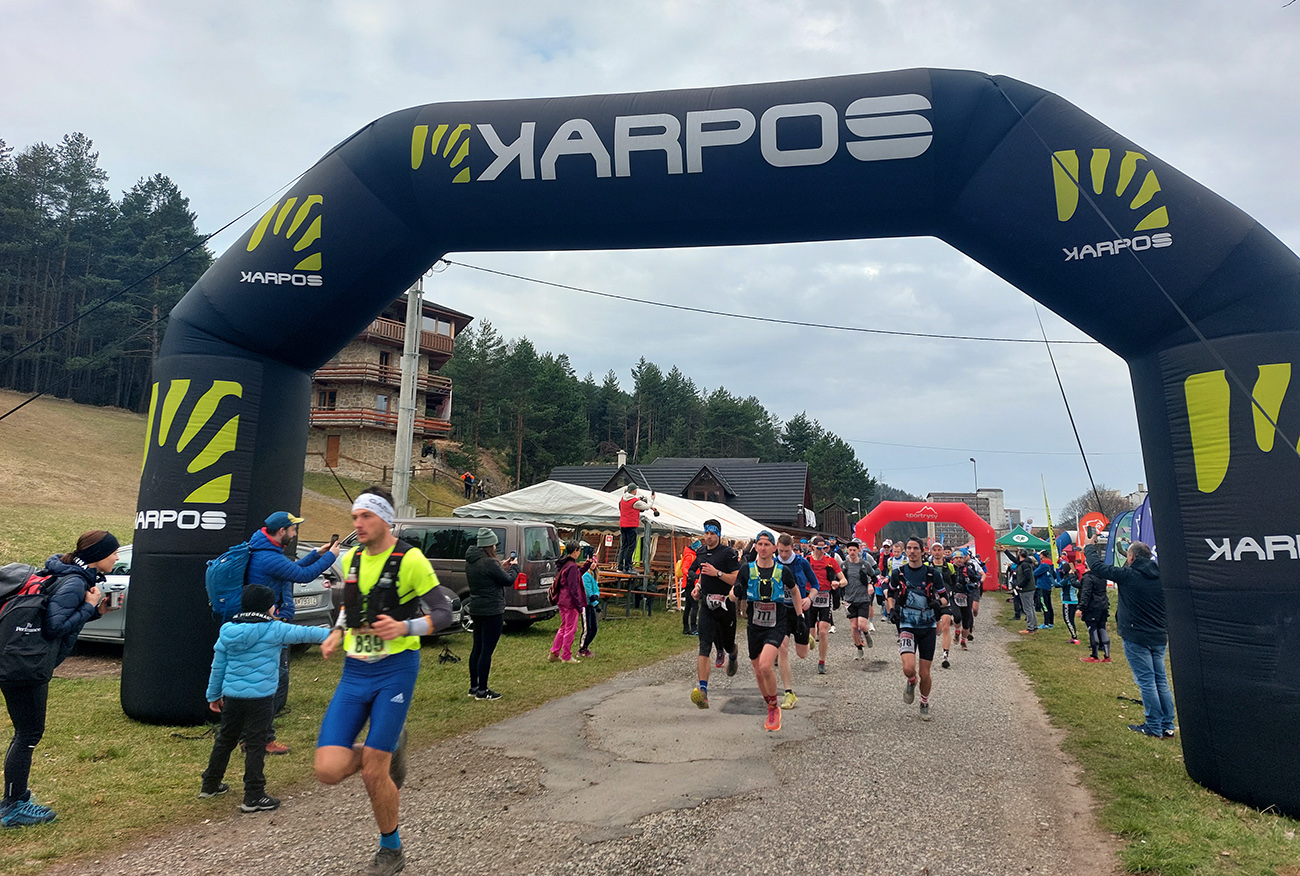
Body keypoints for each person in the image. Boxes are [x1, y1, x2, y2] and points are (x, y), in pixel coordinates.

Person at [315, 486, 454, 876]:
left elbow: (444, 613)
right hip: (354, 671)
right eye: (354, 517)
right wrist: (336, 632)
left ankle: (391, 849)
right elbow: (351, 606)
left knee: (374, 770)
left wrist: (405, 627)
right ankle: (390, 746)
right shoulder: (351, 557)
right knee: (328, 769)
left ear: (385, 520)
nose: (357, 524)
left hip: (395, 670)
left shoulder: (410, 559)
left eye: (366, 516)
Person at [1, 530, 119, 828]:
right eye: (113, 552)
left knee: (26, 732)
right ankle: (13, 806)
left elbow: (55, 614)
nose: (117, 557)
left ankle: (16, 798)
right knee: (28, 734)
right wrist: (89, 606)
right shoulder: (76, 581)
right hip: (25, 667)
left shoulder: (67, 572)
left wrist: (94, 611)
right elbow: (54, 627)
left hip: (18, 659)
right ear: (98, 556)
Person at [201, 584, 332, 812]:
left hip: (232, 697)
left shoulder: (228, 631)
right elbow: (307, 633)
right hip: (261, 698)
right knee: (256, 744)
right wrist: (337, 634)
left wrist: (213, 695)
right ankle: (253, 795)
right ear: (267, 607)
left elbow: (218, 666)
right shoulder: (275, 629)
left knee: (225, 739)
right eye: (273, 604)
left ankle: (210, 784)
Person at [246, 510, 339, 755]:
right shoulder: (268, 557)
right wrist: (331, 556)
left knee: (269, 682)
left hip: (265, 624)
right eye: (293, 529)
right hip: (270, 627)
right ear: (281, 531)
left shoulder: (266, 551)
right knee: (275, 683)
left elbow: (292, 569)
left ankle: (252, 736)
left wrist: (317, 553)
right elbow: (303, 575)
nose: (295, 533)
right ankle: (263, 739)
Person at [1084, 534, 1173, 738]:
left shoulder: (1128, 575)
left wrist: (1089, 547)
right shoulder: (1162, 575)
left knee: (1147, 681)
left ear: (1131, 557)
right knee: (1161, 680)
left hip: (1136, 635)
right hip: (1159, 635)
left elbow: (1097, 567)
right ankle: (1167, 725)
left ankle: (1153, 726)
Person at [730, 530, 803, 732]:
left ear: (774, 548)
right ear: (755, 547)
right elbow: (733, 595)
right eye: (760, 544)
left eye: (767, 545)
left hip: (776, 624)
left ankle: (773, 707)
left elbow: (795, 591)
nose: (763, 548)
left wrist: (800, 617)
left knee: (765, 665)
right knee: (757, 670)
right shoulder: (746, 570)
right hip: (754, 625)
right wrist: (735, 592)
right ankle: (769, 702)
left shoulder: (782, 571)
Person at [885, 536, 949, 721]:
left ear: (922, 551)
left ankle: (924, 701)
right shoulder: (899, 573)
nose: (912, 551)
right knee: (908, 668)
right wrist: (892, 610)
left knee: (925, 672)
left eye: (915, 548)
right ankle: (911, 681)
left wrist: (937, 603)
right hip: (907, 625)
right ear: (906, 551)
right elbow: (891, 593)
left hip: (928, 626)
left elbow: (946, 598)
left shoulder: (932, 574)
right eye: (909, 548)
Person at [686, 520, 739, 709]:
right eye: (706, 533)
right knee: (704, 647)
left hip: (726, 605)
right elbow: (702, 573)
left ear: (718, 535)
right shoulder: (700, 552)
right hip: (707, 605)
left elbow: (736, 578)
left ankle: (733, 654)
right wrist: (698, 587)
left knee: (728, 644)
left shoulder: (728, 553)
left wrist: (717, 573)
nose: (708, 537)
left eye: (712, 534)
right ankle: (703, 692)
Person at [464, 527, 518, 700]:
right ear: (489, 545)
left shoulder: (472, 560)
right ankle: (483, 690)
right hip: (492, 610)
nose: (496, 547)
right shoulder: (489, 563)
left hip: (476, 608)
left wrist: (501, 566)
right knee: (486, 651)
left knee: (477, 648)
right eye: (494, 545)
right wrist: (514, 568)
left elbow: (488, 575)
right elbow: (507, 580)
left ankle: (474, 687)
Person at [773, 534, 815, 710]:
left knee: (802, 654)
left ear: (793, 548)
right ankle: (788, 692)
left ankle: (808, 638)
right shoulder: (773, 563)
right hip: (781, 611)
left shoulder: (801, 563)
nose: (783, 555)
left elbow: (815, 585)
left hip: (800, 610)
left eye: (787, 551)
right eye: (780, 551)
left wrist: (810, 599)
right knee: (782, 648)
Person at [548, 540, 593, 663]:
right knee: (570, 629)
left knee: (563, 627)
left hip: (562, 600)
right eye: (579, 551)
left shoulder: (566, 563)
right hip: (570, 602)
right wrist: (579, 606)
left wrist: (587, 565)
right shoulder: (572, 566)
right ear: (575, 551)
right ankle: (566, 656)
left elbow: (576, 575)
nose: (579, 553)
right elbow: (573, 588)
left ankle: (554, 652)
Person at [806, 536, 845, 674]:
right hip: (810, 597)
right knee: (811, 636)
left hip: (825, 597)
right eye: (819, 548)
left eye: (825, 548)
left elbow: (844, 580)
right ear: (812, 547)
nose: (822, 551)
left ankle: (822, 662)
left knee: (823, 632)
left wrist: (837, 583)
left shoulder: (831, 561)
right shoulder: (807, 561)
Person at [842, 540, 877, 658]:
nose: (852, 552)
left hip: (863, 598)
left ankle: (866, 633)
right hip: (849, 599)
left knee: (862, 625)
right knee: (853, 627)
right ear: (847, 551)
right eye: (850, 550)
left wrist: (870, 584)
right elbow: (839, 578)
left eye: (854, 550)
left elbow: (874, 576)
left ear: (858, 550)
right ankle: (859, 648)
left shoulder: (864, 564)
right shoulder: (844, 565)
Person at [1076, 559, 1112, 663]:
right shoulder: (1102, 577)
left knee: (1092, 629)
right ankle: (1107, 655)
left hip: (1092, 607)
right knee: (1102, 628)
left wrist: (1081, 608)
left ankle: (1094, 656)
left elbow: (1086, 593)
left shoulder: (1088, 578)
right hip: (1103, 605)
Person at [950, 550, 983, 649]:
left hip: (966, 596)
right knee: (957, 616)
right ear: (953, 559)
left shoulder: (968, 570)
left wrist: (975, 585)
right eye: (956, 558)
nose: (959, 560)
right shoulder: (950, 569)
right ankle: (957, 631)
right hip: (954, 596)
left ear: (964, 559)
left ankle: (963, 641)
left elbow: (976, 580)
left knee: (966, 621)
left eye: (960, 558)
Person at [616, 484, 649, 573]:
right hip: (631, 525)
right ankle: (628, 567)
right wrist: (651, 501)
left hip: (623, 524)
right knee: (631, 546)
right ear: (634, 490)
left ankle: (620, 566)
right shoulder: (634, 501)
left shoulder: (622, 499)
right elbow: (646, 507)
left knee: (624, 546)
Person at [1005, 549, 1037, 633]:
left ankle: (1030, 628)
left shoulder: (1025, 564)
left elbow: (1027, 577)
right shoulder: (1023, 562)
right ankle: (1034, 626)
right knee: (1031, 607)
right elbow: (1013, 559)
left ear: (1019, 554)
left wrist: (1019, 585)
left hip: (1026, 589)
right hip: (1029, 588)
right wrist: (1005, 551)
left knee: (1028, 608)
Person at [579, 558, 600, 658]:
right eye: (592, 562)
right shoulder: (586, 576)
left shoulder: (594, 575)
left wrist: (596, 596)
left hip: (591, 605)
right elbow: (587, 591)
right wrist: (594, 600)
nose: (593, 564)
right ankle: (582, 649)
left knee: (594, 629)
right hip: (586, 604)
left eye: (595, 562)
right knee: (587, 629)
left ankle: (586, 646)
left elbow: (596, 589)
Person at [680, 539, 700, 636]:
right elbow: (684, 568)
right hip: (690, 584)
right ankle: (693, 628)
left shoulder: (693, 555)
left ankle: (686, 628)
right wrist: (691, 575)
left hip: (690, 583)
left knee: (688, 606)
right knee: (694, 606)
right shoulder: (690, 556)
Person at [1058, 557, 1080, 644]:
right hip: (1074, 600)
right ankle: (1073, 636)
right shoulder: (1075, 578)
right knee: (1071, 620)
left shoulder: (1067, 579)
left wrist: (1050, 577)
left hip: (1068, 601)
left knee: (1067, 620)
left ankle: (1075, 637)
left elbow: (1057, 585)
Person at [1034, 550, 1057, 629]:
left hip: (1042, 586)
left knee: (1044, 605)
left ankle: (1046, 623)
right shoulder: (1050, 564)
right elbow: (1054, 575)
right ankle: (1051, 622)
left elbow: (1035, 573)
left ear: (1043, 555)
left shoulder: (1044, 565)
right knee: (1049, 605)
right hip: (1048, 586)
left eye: (1040, 554)